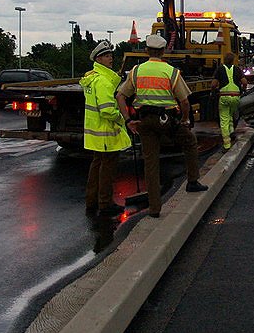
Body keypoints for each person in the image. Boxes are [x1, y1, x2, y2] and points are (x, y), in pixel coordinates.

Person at [119, 34, 208, 218]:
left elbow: (120, 96)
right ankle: (192, 181)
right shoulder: (171, 72)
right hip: (167, 120)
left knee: (150, 162)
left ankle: (154, 208)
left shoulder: (136, 71)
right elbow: (184, 102)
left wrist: (128, 120)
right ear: (164, 51)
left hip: (144, 121)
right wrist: (184, 120)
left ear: (146, 51)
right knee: (190, 142)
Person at [80, 40, 131, 217]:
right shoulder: (103, 82)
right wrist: (122, 117)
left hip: (95, 133)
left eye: (111, 55)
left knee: (97, 166)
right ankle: (105, 203)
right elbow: (107, 110)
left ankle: (92, 201)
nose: (111, 59)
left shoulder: (92, 78)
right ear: (99, 59)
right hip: (106, 133)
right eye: (107, 56)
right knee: (107, 169)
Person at [210, 51, 248, 150]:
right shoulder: (237, 69)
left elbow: (213, 84)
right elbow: (244, 82)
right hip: (236, 97)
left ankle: (226, 144)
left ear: (224, 59)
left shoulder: (220, 69)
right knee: (231, 115)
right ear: (233, 60)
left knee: (224, 119)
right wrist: (243, 89)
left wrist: (214, 91)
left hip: (224, 97)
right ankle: (231, 132)